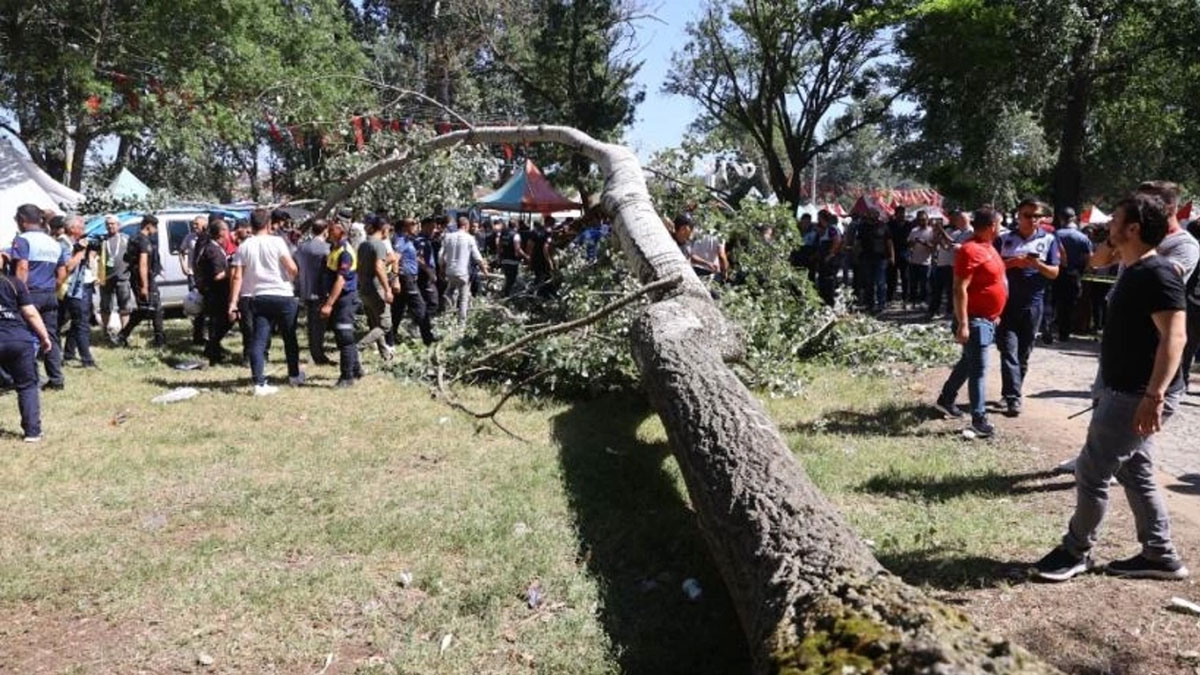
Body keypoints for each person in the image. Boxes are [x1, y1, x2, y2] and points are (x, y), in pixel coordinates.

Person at [1033, 193, 1189, 582]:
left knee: (1091, 470)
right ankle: (1159, 554)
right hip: (1126, 390)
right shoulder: (1133, 268)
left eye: (1115, 220)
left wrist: (1154, 397)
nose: (1107, 226)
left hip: (1138, 394)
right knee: (1136, 472)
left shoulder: (1158, 273)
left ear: (1133, 228)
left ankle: (1075, 549)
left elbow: (1176, 339)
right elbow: (1096, 258)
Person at [935, 208, 1008, 438]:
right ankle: (979, 419)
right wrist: (963, 323)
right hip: (974, 320)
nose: (1001, 228)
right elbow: (959, 288)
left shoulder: (989, 247)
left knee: (968, 363)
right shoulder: (970, 250)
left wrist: (995, 312)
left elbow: (993, 281)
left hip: (986, 319)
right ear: (991, 226)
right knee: (978, 370)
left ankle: (946, 398)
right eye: (1000, 224)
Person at [995, 199, 1061, 417]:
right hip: (1007, 304)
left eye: (1036, 216)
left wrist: (1036, 264)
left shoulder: (1049, 239)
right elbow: (992, 268)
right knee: (1008, 350)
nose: (1032, 220)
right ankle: (1013, 398)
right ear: (1018, 216)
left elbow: (1054, 272)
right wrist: (1013, 263)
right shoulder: (1004, 239)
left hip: (1034, 305)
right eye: (1027, 215)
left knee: (1023, 353)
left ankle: (1012, 392)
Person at [227, 209, 303, 396]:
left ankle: (259, 383)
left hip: (258, 296)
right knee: (289, 337)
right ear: (269, 223)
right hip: (282, 295)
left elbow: (237, 276)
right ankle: (294, 375)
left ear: (250, 225)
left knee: (258, 341)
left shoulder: (244, 246)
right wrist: (290, 278)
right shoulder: (277, 242)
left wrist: (233, 302)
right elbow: (292, 267)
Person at [11, 204, 67, 390]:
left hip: (30, 295)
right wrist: (53, 288)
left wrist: (18, 294)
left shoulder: (22, 240)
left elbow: (22, 267)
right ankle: (57, 379)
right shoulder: (53, 243)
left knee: (24, 336)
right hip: (49, 295)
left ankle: (29, 378)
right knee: (50, 336)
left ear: (23, 220)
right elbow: (61, 273)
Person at [0, 262, 54, 441]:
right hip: (18, 339)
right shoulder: (14, 283)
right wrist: (44, 336)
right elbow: (30, 313)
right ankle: (32, 431)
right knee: (27, 386)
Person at [321, 219, 362, 387]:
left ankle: (347, 377)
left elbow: (340, 280)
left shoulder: (345, 252)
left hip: (345, 298)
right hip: (337, 297)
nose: (328, 232)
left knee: (345, 336)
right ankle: (356, 368)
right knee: (341, 335)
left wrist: (329, 304)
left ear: (341, 232)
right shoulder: (334, 248)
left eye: (332, 230)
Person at [116, 215, 166, 348]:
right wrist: (144, 285)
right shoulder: (142, 241)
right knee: (150, 309)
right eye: (155, 227)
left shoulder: (135, 238)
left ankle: (159, 339)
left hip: (141, 278)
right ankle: (124, 335)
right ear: (148, 225)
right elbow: (143, 264)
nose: (156, 230)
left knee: (152, 308)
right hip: (143, 279)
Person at [59, 216, 97, 369]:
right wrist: (80, 253)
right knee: (81, 323)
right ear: (72, 229)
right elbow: (68, 266)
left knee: (79, 322)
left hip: (80, 287)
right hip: (71, 289)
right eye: (81, 227)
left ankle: (69, 353)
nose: (84, 230)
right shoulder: (63, 243)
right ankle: (87, 359)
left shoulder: (73, 243)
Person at [394, 217, 439, 345]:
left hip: (409, 278)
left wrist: (427, 270)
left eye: (416, 223)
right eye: (413, 224)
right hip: (406, 278)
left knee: (398, 309)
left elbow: (417, 258)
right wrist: (396, 278)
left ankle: (391, 336)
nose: (416, 226)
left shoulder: (409, 241)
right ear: (405, 227)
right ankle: (428, 339)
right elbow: (395, 258)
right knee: (421, 307)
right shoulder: (401, 241)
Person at [356, 215, 395, 361]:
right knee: (385, 325)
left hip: (364, 289)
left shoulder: (363, 244)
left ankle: (385, 355)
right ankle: (357, 348)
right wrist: (387, 289)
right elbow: (379, 267)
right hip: (376, 289)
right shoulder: (379, 245)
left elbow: (358, 267)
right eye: (389, 230)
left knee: (375, 324)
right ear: (384, 229)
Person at [193, 218, 232, 366]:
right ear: (221, 232)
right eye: (227, 230)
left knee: (221, 323)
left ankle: (212, 348)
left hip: (216, 292)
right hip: (216, 293)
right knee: (218, 323)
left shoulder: (214, 247)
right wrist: (232, 270)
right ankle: (213, 353)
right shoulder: (213, 250)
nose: (229, 233)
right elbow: (217, 275)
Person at [1052, 207, 1093, 342]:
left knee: (1055, 301)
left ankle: (1053, 329)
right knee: (1070, 304)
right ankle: (1066, 332)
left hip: (1056, 272)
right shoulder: (1082, 237)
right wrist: (1084, 272)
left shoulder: (1055, 235)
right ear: (1074, 218)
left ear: (1061, 218)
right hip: (1074, 274)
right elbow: (1089, 258)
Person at [296, 219, 332, 366]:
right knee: (320, 325)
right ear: (325, 230)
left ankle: (315, 351)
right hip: (321, 290)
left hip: (305, 289)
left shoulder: (301, 248)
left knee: (312, 324)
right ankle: (318, 354)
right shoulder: (327, 249)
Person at [441, 215, 489, 323]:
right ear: (465, 226)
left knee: (451, 290)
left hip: (450, 271)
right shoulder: (469, 238)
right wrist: (485, 270)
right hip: (463, 272)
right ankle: (461, 323)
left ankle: (447, 311)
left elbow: (441, 256)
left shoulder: (448, 237)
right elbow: (477, 256)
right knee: (463, 299)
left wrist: (442, 268)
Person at [929, 209, 972, 319]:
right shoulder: (948, 229)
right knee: (937, 288)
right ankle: (934, 310)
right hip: (941, 263)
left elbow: (954, 243)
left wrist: (942, 231)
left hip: (953, 264)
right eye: (952, 218)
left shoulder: (967, 232)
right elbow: (948, 247)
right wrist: (938, 237)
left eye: (956, 218)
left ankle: (950, 311)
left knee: (951, 290)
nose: (954, 220)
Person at [98, 215, 132, 336]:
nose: (110, 226)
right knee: (105, 306)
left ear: (118, 225)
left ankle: (125, 332)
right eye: (108, 224)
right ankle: (105, 332)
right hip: (106, 279)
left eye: (113, 224)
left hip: (122, 278)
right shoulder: (102, 240)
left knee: (124, 306)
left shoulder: (126, 239)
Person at [855, 211, 894, 314]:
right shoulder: (862, 227)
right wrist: (855, 255)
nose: (872, 217)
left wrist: (892, 256)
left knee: (880, 282)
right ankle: (870, 304)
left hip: (881, 258)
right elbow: (858, 242)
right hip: (866, 258)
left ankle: (882, 304)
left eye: (874, 215)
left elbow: (889, 242)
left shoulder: (883, 226)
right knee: (869, 283)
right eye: (870, 215)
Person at [180, 214, 207, 346]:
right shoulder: (189, 237)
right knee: (196, 305)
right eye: (193, 224)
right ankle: (197, 335)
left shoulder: (208, 237)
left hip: (205, 276)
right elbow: (181, 251)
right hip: (193, 275)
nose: (194, 226)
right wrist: (184, 266)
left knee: (206, 305)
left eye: (197, 224)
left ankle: (205, 333)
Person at [813, 210, 843, 306]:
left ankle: (830, 303)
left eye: (819, 218)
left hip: (830, 260)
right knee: (822, 281)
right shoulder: (824, 230)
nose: (818, 220)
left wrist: (830, 254)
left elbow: (837, 241)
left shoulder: (832, 229)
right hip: (823, 259)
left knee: (829, 281)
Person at [905, 211, 935, 306]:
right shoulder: (914, 231)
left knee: (924, 283)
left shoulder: (931, 231)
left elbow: (934, 248)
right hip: (914, 260)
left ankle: (923, 301)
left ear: (927, 220)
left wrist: (924, 243)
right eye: (919, 220)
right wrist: (912, 243)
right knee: (913, 283)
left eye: (923, 220)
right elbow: (908, 243)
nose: (921, 222)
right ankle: (912, 300)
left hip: (926, 262)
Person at [415, 217, 440, 314]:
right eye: (432, 228)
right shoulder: (420, 241)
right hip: (424, 273)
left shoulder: (427, 240)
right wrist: (429, 272)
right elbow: (418, 258)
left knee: (428, 300)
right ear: (425, 227)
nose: (435, 230)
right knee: (432, 301)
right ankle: (424, 324)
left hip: (428, 272)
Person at [887, 206, 911, 304]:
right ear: (896, 214)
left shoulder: (909, 225)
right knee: (891, 277)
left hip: (905, 253)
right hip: (893, 252)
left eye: (903, 213)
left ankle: (905, 297)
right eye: (900, 213)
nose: (902, 215)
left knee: (905, 277)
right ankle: (889, 297)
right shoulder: (890, 224)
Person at [498, 219, 526, 296]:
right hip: (513, 260)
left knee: (507, 278)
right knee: (511, 279)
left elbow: (499, 246)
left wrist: (499, 257)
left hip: (504, 259)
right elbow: (517, 248)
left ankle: (505, 293)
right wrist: (526, 256)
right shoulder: (516, 235)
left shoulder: (503, 233)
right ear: (516, 225)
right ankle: (507, 295)